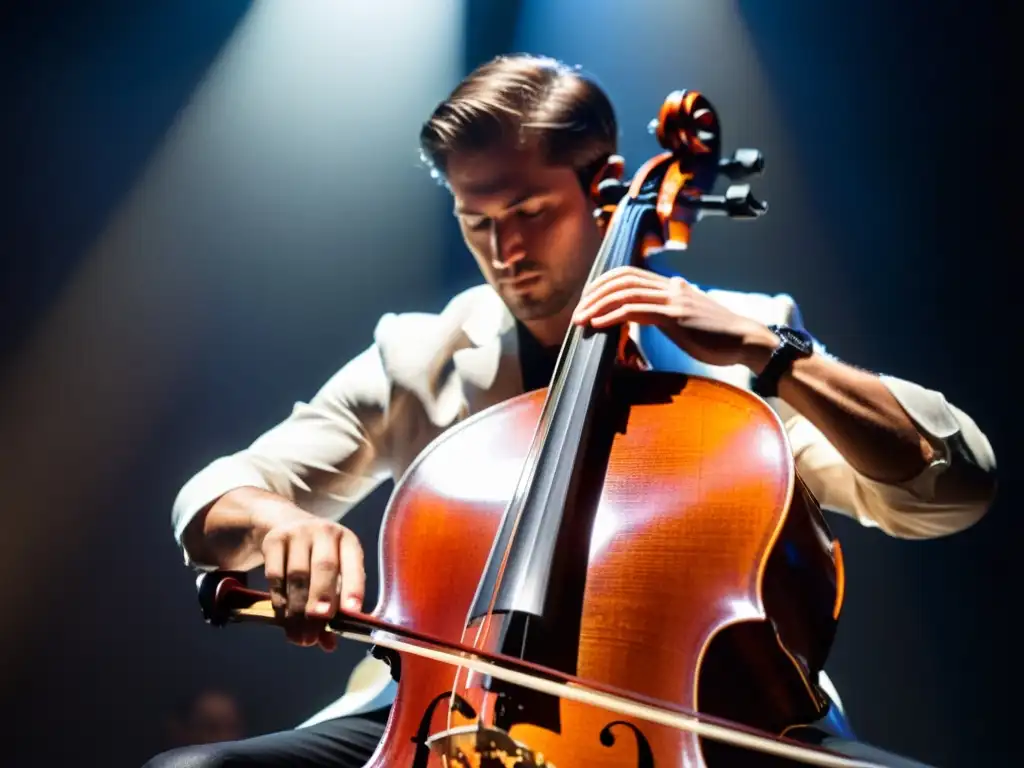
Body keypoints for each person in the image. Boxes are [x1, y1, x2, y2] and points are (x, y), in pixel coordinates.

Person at [143, 54, 996, 768]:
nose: (503, 252)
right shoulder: (423, 352)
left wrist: (769, 351)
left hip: (706, 715)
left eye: (529, 212)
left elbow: (946, 488)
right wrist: (274, 524)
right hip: (439, 711)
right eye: (475, 221)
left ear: (608, 189)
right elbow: (217, 494)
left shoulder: (740, 344)